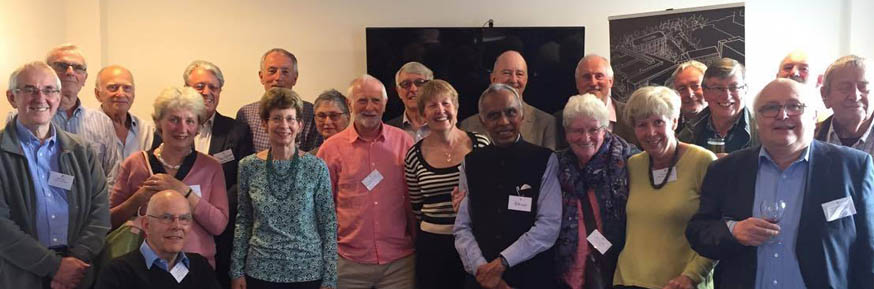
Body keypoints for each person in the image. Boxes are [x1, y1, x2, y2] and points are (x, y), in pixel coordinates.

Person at [686, 79, 874, 288]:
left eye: (794, 106)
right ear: (757, 120)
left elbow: (868, 249)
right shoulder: (725, 169)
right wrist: (733, 230)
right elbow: (698, 232)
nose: (782, 115)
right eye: (771, 108)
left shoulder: (853, 167)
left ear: (814, 116)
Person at [0, 61, 110, 289]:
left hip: (77, 275)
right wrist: (54, 267)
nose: (40, 98)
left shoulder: (82, 151)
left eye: (49, 90)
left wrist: (75, 262)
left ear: (58, 98)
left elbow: (99, 214)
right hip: (18, 275)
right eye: (29, 89)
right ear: (12, 98)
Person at [149, 60, 253, 289]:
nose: (207, 92)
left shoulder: (237, 130)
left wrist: (213, 209)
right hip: (167, 241)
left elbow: (241, 181)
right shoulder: (167, 132)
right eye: (200, 86)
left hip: (220, 235)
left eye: (213, 87)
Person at [454, 83, 561, 289]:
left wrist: (502, 263)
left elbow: (549, 225)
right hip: (481, 279)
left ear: (521, 115)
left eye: (510, 112)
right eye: (494, 115)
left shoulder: (544, 160)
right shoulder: (471, 162)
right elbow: (462, 226)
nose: (504, 122)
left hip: (531, 277)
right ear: (483, 121)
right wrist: (483, 270)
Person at [109, 86, 229, 268]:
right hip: (142, 270)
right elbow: (109, 221)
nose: (182, 128)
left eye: (190, 121)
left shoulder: (211, 167)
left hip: (195, 269)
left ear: (198, 127)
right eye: (174, 119)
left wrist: (184, 192)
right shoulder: (135, 163)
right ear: (158, 123)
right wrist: (139, 198)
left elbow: (218, 225)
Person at [231, 88, 337, 289]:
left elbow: (328, 223)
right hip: (260, 270)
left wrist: (330, 278)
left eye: (290, 119)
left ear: (300, 124)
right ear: (264, 123)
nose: (284, 125)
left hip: (308, 272)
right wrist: (236, 270)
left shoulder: (316, 167)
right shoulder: (248, 166)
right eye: (276, 118)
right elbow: (243, 221)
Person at [317, 75, 416, 289]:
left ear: (385, 104)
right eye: (362, 100)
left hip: (398, 263)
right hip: (348, 262)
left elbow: (412, 199)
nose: (369, 107)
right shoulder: (330, 149)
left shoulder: (405, 142)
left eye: (376, 100)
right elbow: (322, 208)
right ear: (349, 104)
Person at [612, 86, 715, 289]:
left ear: (674, 121)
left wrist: (692, 276)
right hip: (628, 280)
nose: (651, 133)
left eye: (658, 122)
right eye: (642, 125)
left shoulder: (702, 161)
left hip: (680, 284)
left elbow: (718, 229)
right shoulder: (634, 164)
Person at [404, 80, 490, 289]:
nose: (440, 110)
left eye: (446, 103)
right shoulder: (413, 156)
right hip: (433, 247)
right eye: (432, 105)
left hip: (476, 242)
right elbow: (417, 207)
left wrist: (469, 206)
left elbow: (493, 195)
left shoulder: (481, 144)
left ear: (456, 108)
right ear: (423, 114)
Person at [554, 94, 636, 289]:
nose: (585, 138)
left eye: (593, 130)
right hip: (567, 273)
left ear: (605, 129)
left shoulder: (629, 161)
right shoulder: (557, 166)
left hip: (615, 272)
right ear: (566, 133)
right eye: (577, 130)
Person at [95, 190, 221, 289]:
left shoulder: (200, 267)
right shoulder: (117, 273)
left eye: (184, 219)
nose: (177, 226)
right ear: (146, 225)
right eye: (166, 217)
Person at [41, 44, 122, 187]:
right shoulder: (25, 118)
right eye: (62, 65)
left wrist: (97, 206)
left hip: (91, 206)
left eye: (78, 68)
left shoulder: (102, 122)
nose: (70, 72)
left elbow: (113, 175)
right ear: (46, 73)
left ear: (85, 78)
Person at [459, 50, 557, 150]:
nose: (514, 80)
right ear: (493, 78)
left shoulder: (546, 123)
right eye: (507, 73)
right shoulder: (468, 125)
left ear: (526, 79)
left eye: (519, 74)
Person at [236, 48, 320, 152]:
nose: (278, 77)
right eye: (272, 71)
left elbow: (314, 155)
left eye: (285, 72)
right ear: (261, 76)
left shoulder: (311, 112)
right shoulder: (246, 114)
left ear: (295, 78)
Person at [678, 58, 757, 155]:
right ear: (705, 92)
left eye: (734, 87)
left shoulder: (763, 131)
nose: (726, 96)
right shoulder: (688, 134)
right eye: (718, 88)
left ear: (745, 90)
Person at [556, 54, 638, 149]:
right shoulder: (559, 120)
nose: (593, 83)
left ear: (610, 81)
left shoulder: (632, 116)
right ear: (577, 83)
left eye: (599, 76)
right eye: (586, 77)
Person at [815, 55, 874, 155]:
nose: (855, 96)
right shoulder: (809, 138)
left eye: (863, 87)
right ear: (825, 95)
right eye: (845, 88)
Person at [95, 65, 154, 159]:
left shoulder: (146, 130)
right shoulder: (88, 129)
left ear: (133, 94)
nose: (121, 94)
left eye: (127, 88)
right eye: (113, 87)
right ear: (98, 94)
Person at [387, 61, 434, 141]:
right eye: (406, 84)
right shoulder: (388, 130)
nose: (413, 89)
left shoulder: (444, 126)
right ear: (398, 91)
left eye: (420, 83)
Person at [665, 60, 708, 132]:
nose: (690, 94)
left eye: (695, 86)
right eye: (682, 89)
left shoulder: (725, 122)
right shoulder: (668, 124)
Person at [310, 89, 350, 154]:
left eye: (334, 115)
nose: (327, 122)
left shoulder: (359, 153)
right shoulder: (308, 159)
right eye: (321, 116)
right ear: (315, 119)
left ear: (347, 118)